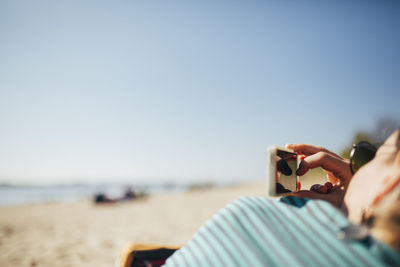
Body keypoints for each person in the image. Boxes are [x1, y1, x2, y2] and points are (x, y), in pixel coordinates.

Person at [163, 129, 400, 266]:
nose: (353, 168)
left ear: (391, 182)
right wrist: (358, 212)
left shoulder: (249, 215)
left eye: (369, 158)